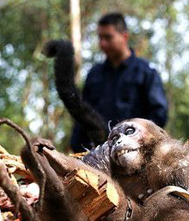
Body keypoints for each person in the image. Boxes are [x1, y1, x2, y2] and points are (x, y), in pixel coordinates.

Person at [70, 12, 168, 152]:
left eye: (108, 37)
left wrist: (139, 142)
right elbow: (83, 116)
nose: (102, 43)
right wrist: (77, 149)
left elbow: (159, 114)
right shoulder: (94, 75)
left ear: (124, 37)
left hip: (136, 155)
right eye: (100, 38)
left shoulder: (146, 73)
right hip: (97, 157)